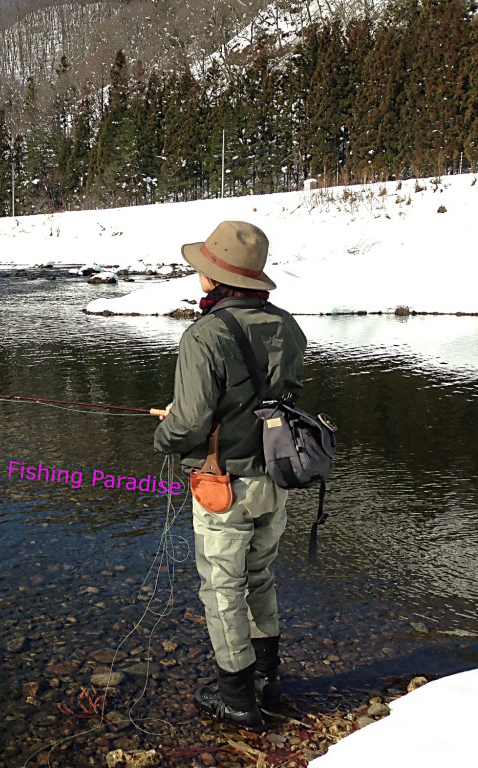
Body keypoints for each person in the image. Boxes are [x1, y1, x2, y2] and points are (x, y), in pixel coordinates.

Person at [154, 220, 307, 731]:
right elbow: (271, 399)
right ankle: (268, 679)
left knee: (222, 589)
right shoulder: (288, 325)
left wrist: (166, 433)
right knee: (260, 577)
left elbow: (192, 422)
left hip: (225, 488)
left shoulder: (204, 335)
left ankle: (237, 699)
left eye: (203, 267)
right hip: (277, 482)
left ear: (216, 279)